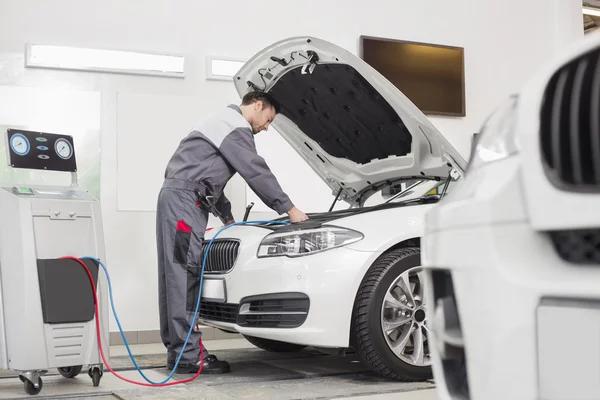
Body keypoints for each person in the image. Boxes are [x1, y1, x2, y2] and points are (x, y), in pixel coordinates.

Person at [155, 90, 309, 374]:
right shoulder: (235, 126)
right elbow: (255, 170)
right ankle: (189, 356)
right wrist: (289, 208)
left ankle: (177, 352)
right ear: (258, 105)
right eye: (268, 119)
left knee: (173, 275)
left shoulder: (220, 121)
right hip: (184, 204)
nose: (266, 126)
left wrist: (228, 218)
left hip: (178, 198)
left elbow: (209, 177)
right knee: (185, 274)